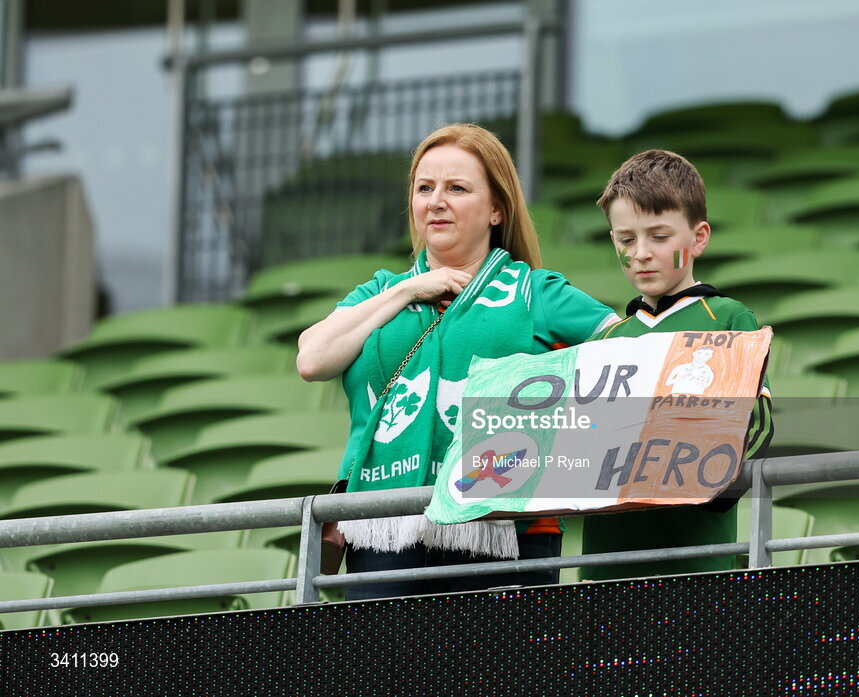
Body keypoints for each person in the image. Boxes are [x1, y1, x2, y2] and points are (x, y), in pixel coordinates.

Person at [297, 123, 619, 600]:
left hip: (504, 533)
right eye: (424, 188)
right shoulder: (378, 293)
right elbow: (313, 358)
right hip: (385, 533)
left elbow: (629, 345)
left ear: (496, 209)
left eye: (457, 188)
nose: (436, 200)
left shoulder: (535, 291)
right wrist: (408, 289)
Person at [579, 149, 774, 581]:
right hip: (602, 564)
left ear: (698, 238)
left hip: (693, 560)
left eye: (659, 236)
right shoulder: (605, 339)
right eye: (626, 240)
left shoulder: (726, 319)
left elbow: (754, 428)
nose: (642, 253)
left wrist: (696, 481)